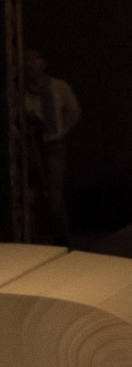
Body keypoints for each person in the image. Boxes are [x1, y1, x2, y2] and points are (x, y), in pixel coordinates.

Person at [23, 50, 79, 241]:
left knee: (55, 194)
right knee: (34, 192)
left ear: (43, 63)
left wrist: (61, 131)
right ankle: (38, 237)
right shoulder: (20, 91)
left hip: (52, 144)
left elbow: (73, 111)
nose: (29, 63)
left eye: (34, 59)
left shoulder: (57, 87)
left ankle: (61, 236)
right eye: (26, 60)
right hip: (30, 146)